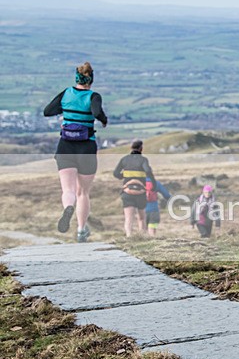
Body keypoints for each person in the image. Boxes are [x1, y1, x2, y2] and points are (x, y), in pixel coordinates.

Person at [43, 62, 108, 242]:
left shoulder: (66, 93)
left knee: (68, 190)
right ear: (91, 79)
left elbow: (47, 111)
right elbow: (96, 112)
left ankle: (68, 208)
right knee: (83, 192)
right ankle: (81, 230)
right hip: (86, 147)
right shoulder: (93, 96)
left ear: (76, 78)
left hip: (65, 146)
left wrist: (66, 109)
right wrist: (104, 120)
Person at [113, 139, 155, 237]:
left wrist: (123, 176)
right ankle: (142, 236)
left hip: (127, 192)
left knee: (129, 218)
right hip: (140, 192)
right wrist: (153, 184)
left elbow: (115, 173)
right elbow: (148, 171)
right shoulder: (143, 160)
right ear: (141, 148)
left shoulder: (124, 159)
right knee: (141, 218)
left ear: (131, 148)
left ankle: (129, 236)